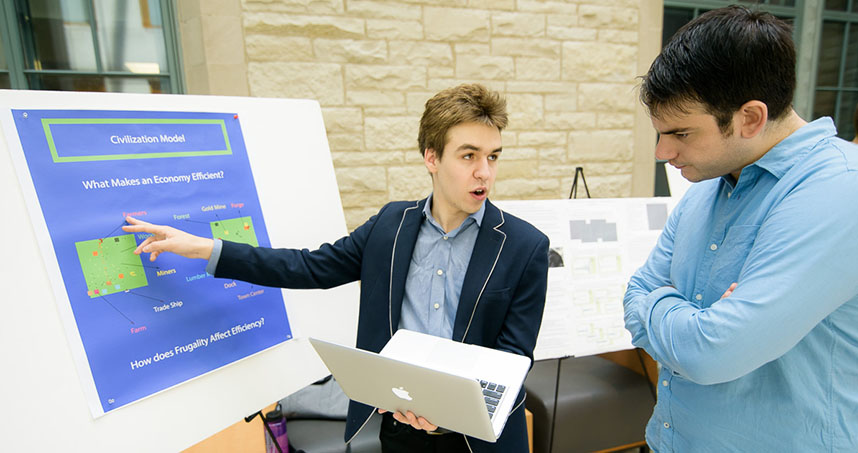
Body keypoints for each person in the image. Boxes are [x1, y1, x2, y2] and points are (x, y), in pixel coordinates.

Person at [123, 83, 549, 453]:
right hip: (400, 430)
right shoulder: (390, 226)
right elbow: (308, 268)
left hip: (480, 443)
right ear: (431, 157)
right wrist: (205, 248)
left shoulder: (525, 246)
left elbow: (513, 358)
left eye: (493, 157)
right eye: (469, 155)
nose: (484, 173)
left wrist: (450, 413)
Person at [624, 6, 858, 452]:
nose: (661, 151)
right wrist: (682, 312)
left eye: (681, 133)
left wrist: (661, 305)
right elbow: (635, 292)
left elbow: (711, 353)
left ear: (750, 117)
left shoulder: (840, 190)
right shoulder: (709, 183)